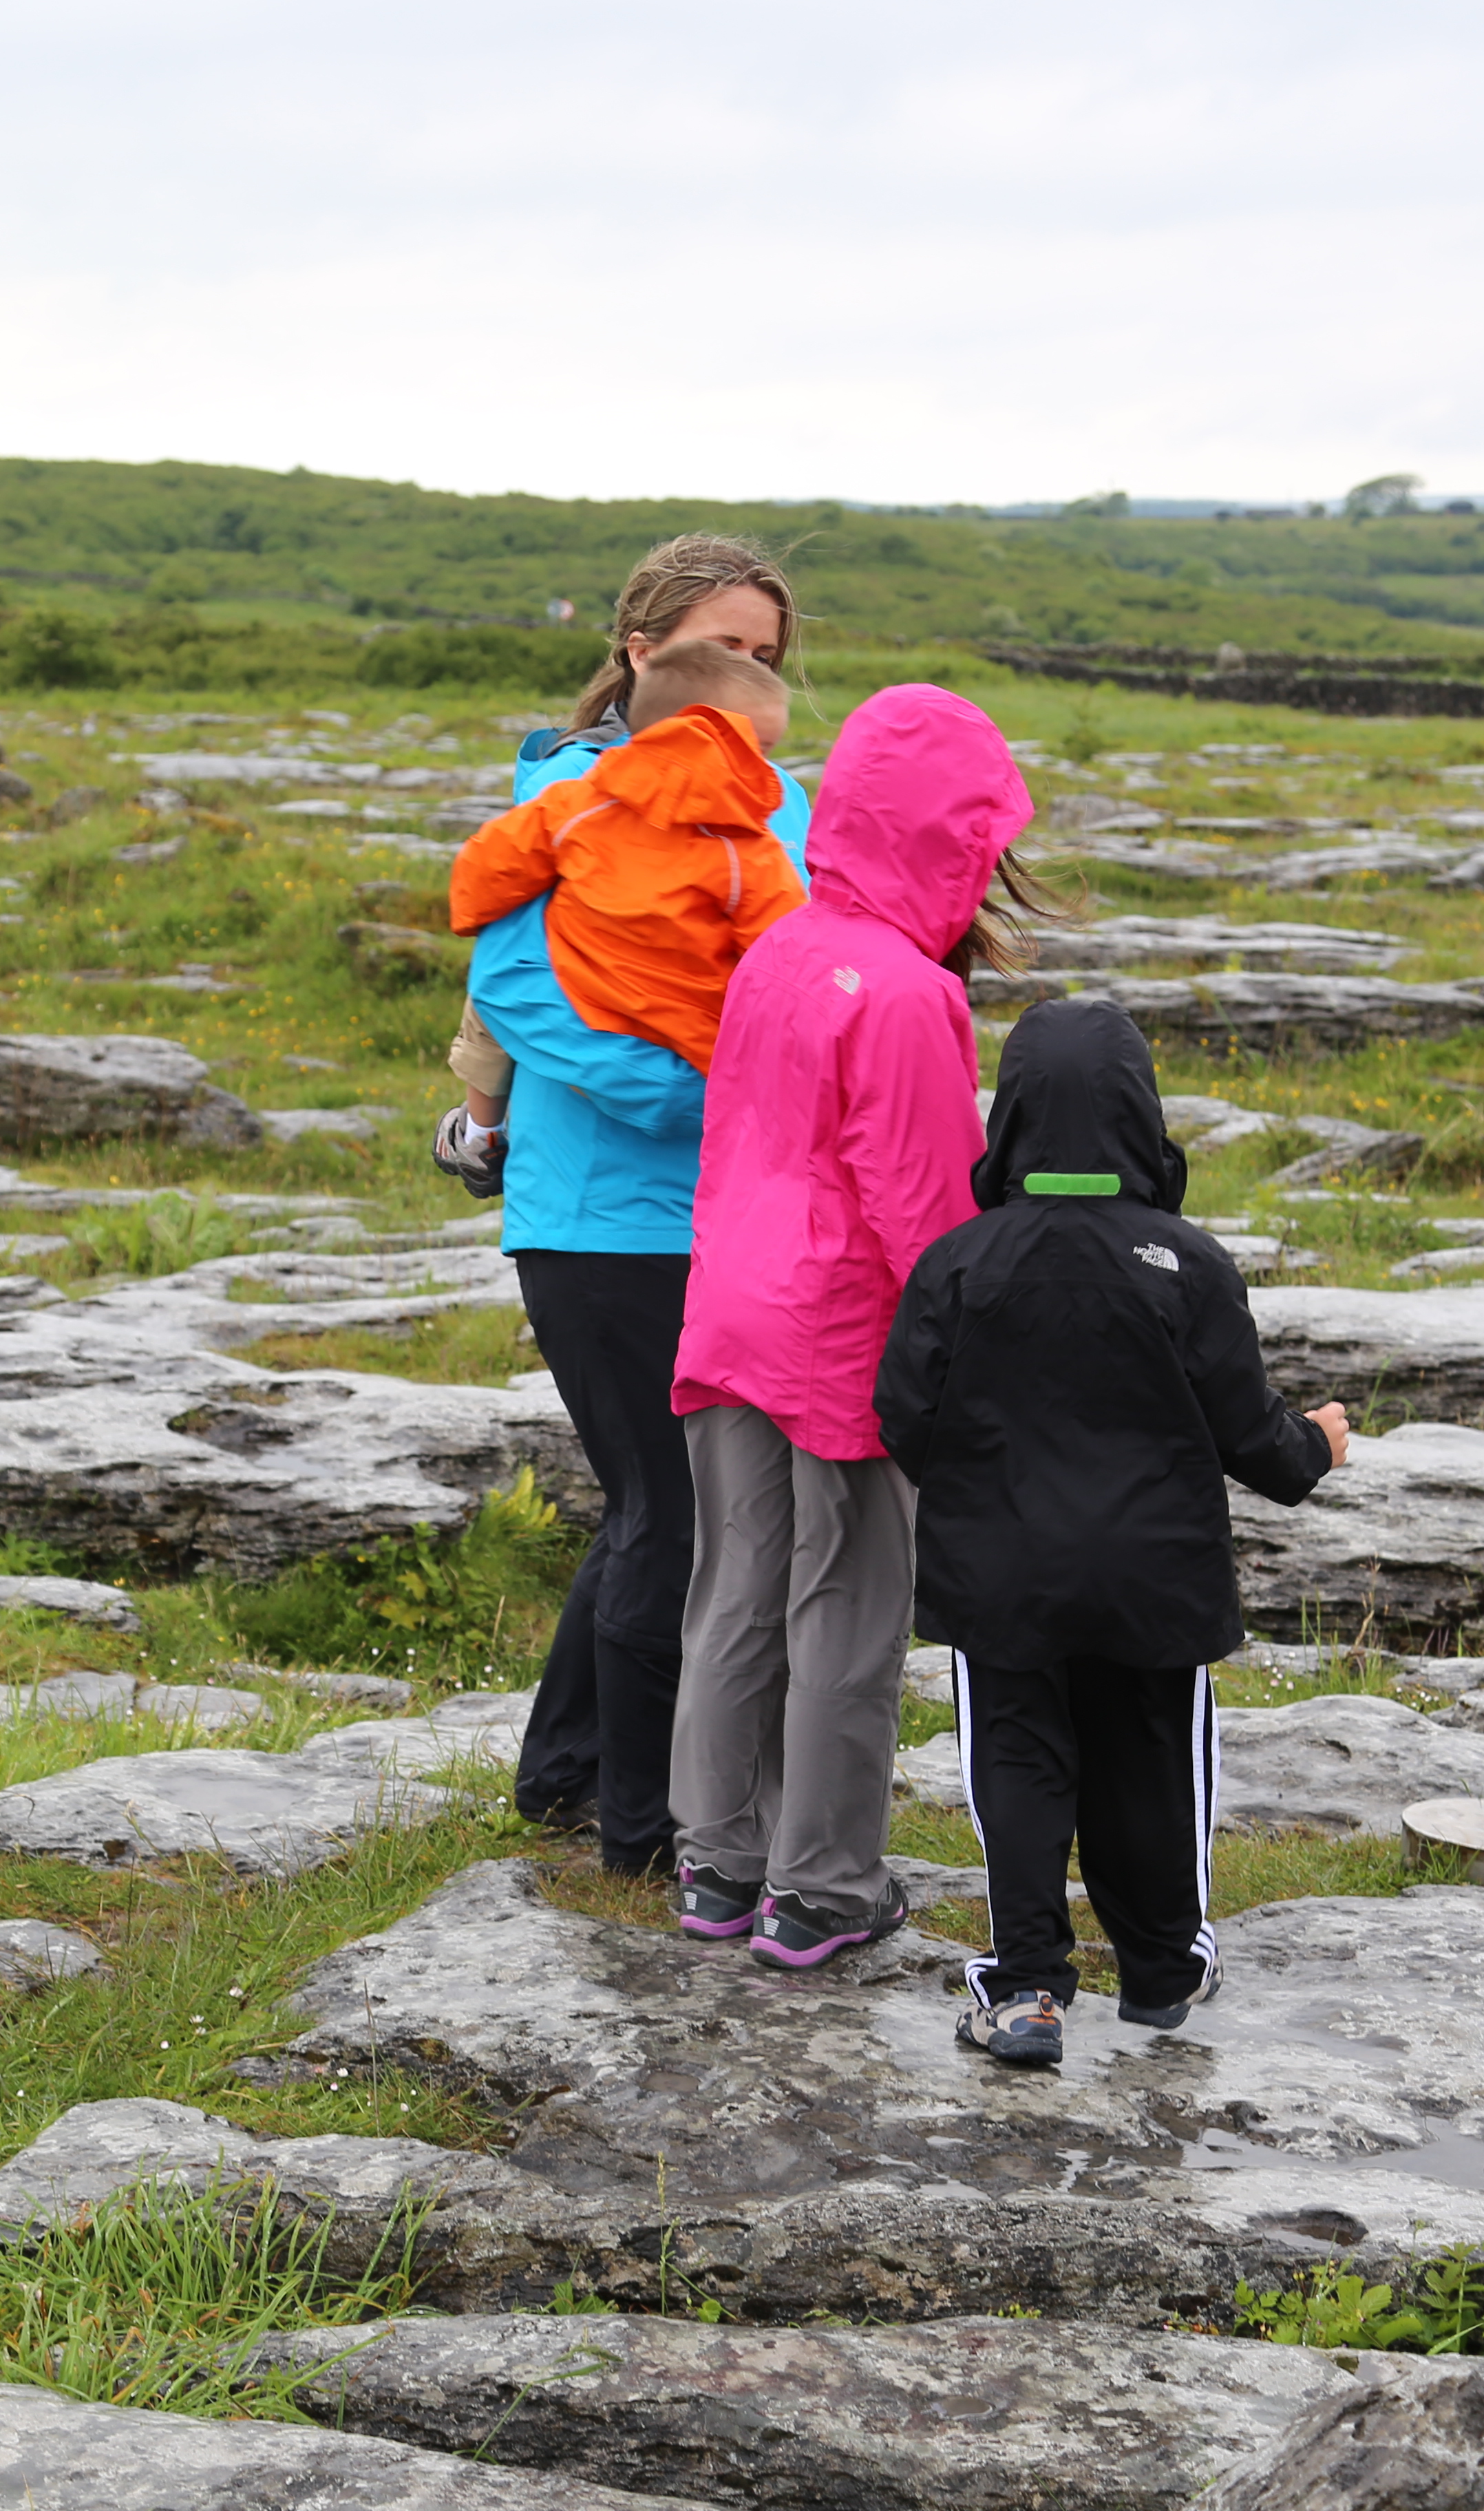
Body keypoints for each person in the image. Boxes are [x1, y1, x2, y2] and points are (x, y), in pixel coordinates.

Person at [872, 995, 1353, 2066]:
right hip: (1153, 1580)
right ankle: (1163, 1971)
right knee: (1151, 1763)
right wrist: (1317, 1444)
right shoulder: (1187, 1263)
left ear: (1013, 1117)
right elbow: (1253, 1440)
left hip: (1001, 1578)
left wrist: (977, 1493)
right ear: (1144, 1114)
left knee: (1019, 1766)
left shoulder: (958, 1263)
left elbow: (902, 1414)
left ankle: (1029, 1989)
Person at [665, 681, 1040, 1968]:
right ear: (949, 836)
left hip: (725, 1310)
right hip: (839, 1336)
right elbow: (927, 1209)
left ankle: (717, 1864)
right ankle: (820, 1886)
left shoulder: (778, 943)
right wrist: (976, 1365)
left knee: (734, 1588)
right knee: (847, 1603)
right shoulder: (906, 993)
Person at [463, 532, 815, 1876]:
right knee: (677, 1513)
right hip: (603, 1217)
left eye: (766, 660)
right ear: (637, 655)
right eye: (715, 653)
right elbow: (510, 987)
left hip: (740, 1218)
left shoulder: (782, 802)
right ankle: (645, 1826)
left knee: (647, 1503)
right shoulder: (567, 798)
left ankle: (561, 1775)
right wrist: (689, 1093)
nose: (742, 681)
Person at [441, 643, 803, 1168]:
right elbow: (787, 961)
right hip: (696, 1054)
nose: (767, 770)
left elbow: (487, 868)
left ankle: (480, 1132)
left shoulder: (579, 804)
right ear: (709, 740)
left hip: (588, 1021)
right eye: (760, 749)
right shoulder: (746, 852)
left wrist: (469, 916)